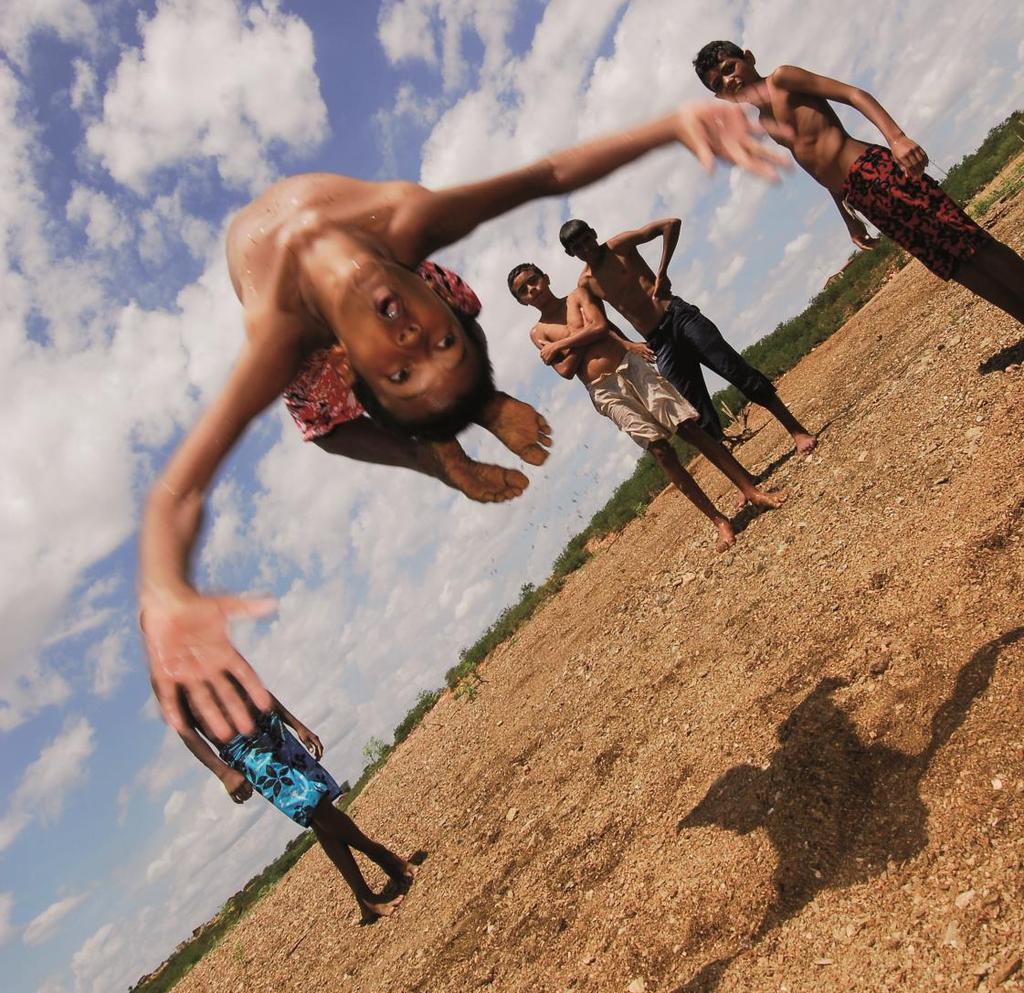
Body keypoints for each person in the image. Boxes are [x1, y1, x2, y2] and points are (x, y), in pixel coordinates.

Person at [141, 99, 793, 743]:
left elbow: (175, 491)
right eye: (423, 354)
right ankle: (449, 442)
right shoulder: (366, 266)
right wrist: (166, 591)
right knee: (344, 417)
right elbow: (550, 175)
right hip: (376, 303)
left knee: (399, 390)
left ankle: (466, 410)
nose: (409, 338)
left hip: (377, 302)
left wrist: (674, 123)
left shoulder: (335, 291)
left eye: (406, 364)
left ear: (349, 362)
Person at [692, 41, 1024, 323]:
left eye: (729, 67)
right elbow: (813, 165)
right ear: (722, 98)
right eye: (718, 84)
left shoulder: (782, 79)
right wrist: (847, 217)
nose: (728, 80)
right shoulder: (765, 121)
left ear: (748, 58)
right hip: (859, 196)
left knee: (968, 243)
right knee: (950, 263)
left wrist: (897, 138)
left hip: (875, 171)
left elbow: (853, 93)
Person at [509, 263, 785, 551]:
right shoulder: (538, 332)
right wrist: (583, 333)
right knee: (661, 451)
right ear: (522, 301)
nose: (532, 290)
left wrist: (562, 344)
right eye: (523, 290)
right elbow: (565, 370)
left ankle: (750, 490)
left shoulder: (578, 295)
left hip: (630, 366)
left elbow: (601, 327)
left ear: (545, 278)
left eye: (533, 281)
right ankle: (718, 520)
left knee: (688, 427)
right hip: (604, 390)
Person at [558, 216, 817, 458]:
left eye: (585, 240)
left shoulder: (619, 245)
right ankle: (745, 480)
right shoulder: (586, 284)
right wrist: (628, 344)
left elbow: (671, 224)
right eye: (577, 247)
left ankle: (797, 431)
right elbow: (601, 324)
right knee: (693, 408)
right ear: (571, 254)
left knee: (734, 369)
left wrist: (662, 272)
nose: (585, 248)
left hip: (679, 317)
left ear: (593, 234)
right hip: (657, 342)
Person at [174, 686, 416, 923]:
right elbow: (185, 729)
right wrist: (222, 772)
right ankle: (386, 859)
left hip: (268, 724)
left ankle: (366, 900)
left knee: (318, 814)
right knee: (315, 808)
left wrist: (296, 724)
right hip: (244, 750)